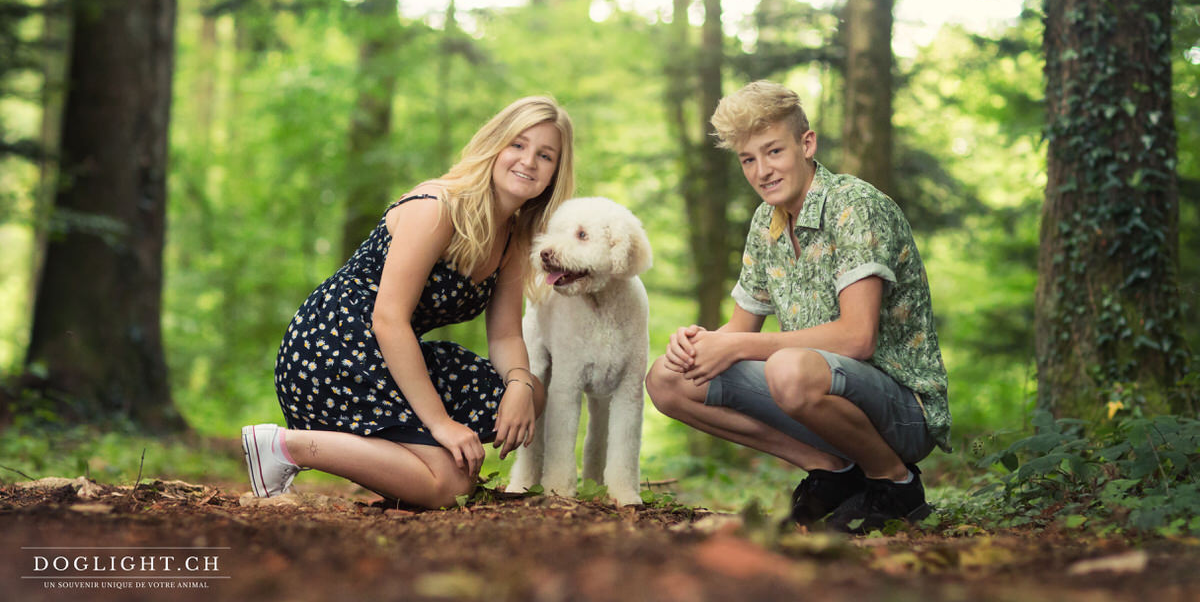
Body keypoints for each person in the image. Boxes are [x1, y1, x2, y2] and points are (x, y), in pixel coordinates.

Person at [645, 81, 950, 533]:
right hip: (818, 395)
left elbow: (857, 338)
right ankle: (834, 473)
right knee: (667, 380)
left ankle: (895, 484)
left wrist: (740, 346)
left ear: (806, 144)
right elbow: (740, 327)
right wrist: (701, 343)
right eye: (748, 159)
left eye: (773, 152)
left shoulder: (855, 206)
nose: (761, 170)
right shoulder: (765, 221)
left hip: (903, 411)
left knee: (787, 368)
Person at [242, 96, 575, 509]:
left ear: (554, 174)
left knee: (528, 396)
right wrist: (441, 425)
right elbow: (388, 319)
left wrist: (520, 384)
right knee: (451, 485)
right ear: (494, 146)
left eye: (545, 155)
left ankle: (413, 462)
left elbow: (506, 334)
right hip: (335, 351)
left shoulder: (511, 238)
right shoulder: (439, 207)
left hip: (392, 355)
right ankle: (285, 446)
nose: (528, 161)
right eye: (517, 145)